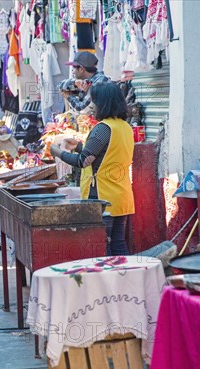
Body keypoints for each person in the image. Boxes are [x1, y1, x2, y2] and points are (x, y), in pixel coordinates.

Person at [50, 82, 135, 255]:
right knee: (118, 242)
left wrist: (58, 152)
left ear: (103, 103)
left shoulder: (103, 128)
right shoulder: (125, 127)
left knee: (104, 244)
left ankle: (107, 280)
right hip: (121, 195)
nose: (92, 106)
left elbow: (83, 162)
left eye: (94, 102)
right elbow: (103, 154)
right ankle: (125, 279)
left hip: (103, 196)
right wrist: (80, 146)